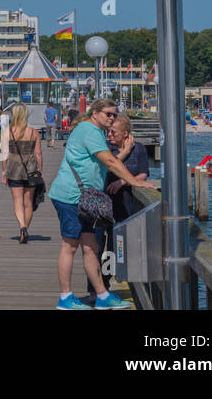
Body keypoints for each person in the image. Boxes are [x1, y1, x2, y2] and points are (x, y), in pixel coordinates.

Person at [50, 99, 150, 309]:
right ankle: (65, 298)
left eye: (114, 114)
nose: (111, 117)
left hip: (83, 198)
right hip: (71, 196)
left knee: (91, 247)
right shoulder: (90, 131)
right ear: (95, 113)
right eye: (108, 114)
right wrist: (134, 181)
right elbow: (111, 161)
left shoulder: (91, 130)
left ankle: (102, 296)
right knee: (69, 247)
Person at [87, 113, 150, 296]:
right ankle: (97, 289)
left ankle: (112, 282)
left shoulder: (138, 149)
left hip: (124, 206)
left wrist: (123, 181)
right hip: (101, 205)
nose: (110, 135)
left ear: (126, 134)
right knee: (97, 247)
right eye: (109, 132)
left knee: (115, 248)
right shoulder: (105, 148)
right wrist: (122, 155)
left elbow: (143, 174)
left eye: (113, 132)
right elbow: (105, 169)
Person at [1, 103, 42, 243]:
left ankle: (22, 226)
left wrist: (3, 171)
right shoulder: (34, 132)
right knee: (28, 202)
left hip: (13, 169)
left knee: (18, 202)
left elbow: (5, 154)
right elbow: (38, 154)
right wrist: (40, 172)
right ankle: (25, 229)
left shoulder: (8, 131)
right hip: (31, 169)